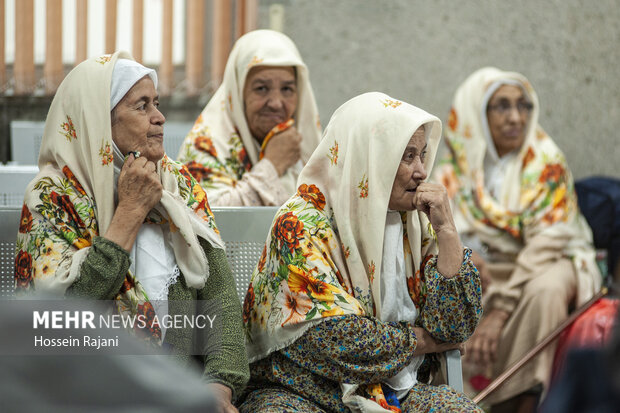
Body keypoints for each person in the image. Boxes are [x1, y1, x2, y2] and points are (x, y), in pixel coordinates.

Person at [13, 51, 249, 412]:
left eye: (156, 103)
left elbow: (221, 299)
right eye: (142, 106)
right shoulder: (53, 196)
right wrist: (130, 211)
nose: (160, 117)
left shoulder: (176, 184)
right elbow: (61, 320)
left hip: (177, 392)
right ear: (97, 122)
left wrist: (219, 385)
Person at [239, 92, 483, 412]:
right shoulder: (301, 223)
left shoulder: (416, 221)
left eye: (422, 155)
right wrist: (426, 342)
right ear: (368, 158)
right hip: (301, 389)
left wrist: (447, 231)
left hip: (394, 390)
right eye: (407, 156)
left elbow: (455, 327)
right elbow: (336, 340)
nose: (422, 171)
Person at [433, 67, 602, 412]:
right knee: (453, 279)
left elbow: (548, 242)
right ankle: (458, 399)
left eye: (523, 105)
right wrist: (463, 252)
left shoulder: (543, 161)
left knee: (547, 290)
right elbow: (439, 232)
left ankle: (524, 399)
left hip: (548, 261)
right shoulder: (456, 168)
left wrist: (499, 311)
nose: (516, 117)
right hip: (492, 268)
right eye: (501, 106)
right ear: (475, 112)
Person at [177, 29, 322, 206]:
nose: (276, 103)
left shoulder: (304, 146)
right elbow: (207, 220)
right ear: (238, 93)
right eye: (261, 88)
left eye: (287, 89)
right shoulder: (206, 144)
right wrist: (273, 165)